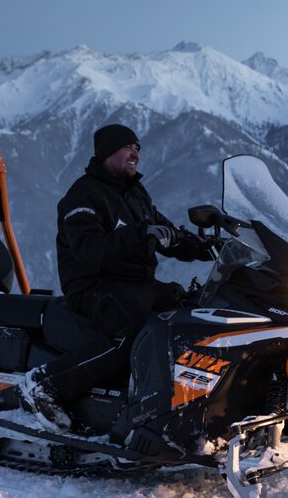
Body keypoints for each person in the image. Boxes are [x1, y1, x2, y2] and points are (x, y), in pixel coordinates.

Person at [19, 123, 213, 430]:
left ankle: (182, 404)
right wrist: (141, 234)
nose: (135, 152)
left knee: (191, 311)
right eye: (127, 147)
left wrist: (209, 246)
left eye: (137, 147)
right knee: (137, 335)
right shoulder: (83, 195)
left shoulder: (136, 194)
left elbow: (165, 233)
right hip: (92, 285)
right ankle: (46, 386)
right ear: (108, 151)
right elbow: (89, 251)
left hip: (135, 285)